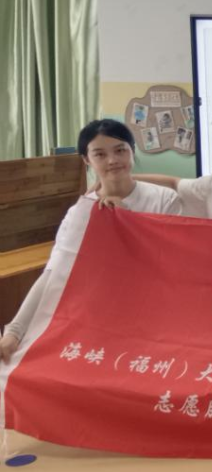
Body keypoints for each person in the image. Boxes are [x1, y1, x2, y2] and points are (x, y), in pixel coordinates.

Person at [1, 120, 181, 363]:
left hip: (150, 319)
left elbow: (170, 267)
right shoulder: (79, 212)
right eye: (100, 154)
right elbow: (53, 275)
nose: (112, 160)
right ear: (87, 160)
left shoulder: (165, 200)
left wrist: (126, 220)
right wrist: (14, 332)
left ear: (132, 150)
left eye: (120, 150)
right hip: (92, 318)